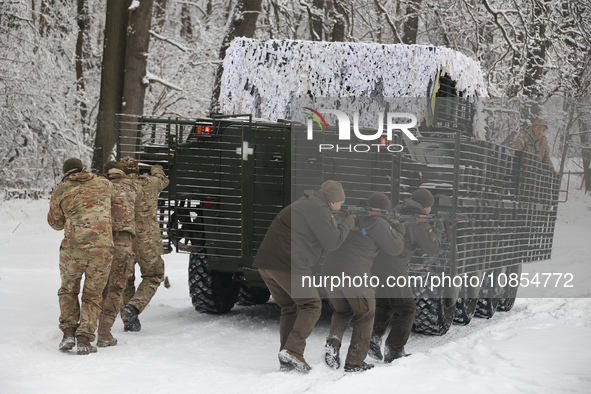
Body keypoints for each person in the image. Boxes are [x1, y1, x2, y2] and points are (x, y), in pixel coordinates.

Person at [253, 180, 355, 373]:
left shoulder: (308, 203)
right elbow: (332, 242)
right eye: (341, 202)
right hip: (287, 264)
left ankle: (287, 357)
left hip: (267, 263)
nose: (342, 205)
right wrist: (347, 223)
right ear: (332, 201)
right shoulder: (318, 209)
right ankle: (293, 350)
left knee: (290, 307)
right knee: (311, 304)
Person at [322, 192, 405, 373]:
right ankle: (355, 362)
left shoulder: (347, 215)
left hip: (329, 271)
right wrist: (399, 229)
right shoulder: (378, 222)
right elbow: (396, 248)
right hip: (354, 275)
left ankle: (333, 342)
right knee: (366, 313)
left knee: (342, 310)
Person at [47, 158, 117, 355]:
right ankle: (85, 338)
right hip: (102, 248)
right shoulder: (104, 183)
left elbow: (55, 223)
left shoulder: (61, 189)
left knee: (68, 290)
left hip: (74, 249)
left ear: (65, 172)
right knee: (93, 293)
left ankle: (68, 332)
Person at [369, 188, 443, 363]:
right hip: (395, 269)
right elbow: (432, 249)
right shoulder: (417, 221)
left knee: (386, 304)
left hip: (377, 266)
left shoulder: (399, 210)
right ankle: (394, 349)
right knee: (407, 309)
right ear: (425, 206)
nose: (430, 211)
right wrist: (438, 230)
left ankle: (372, 339)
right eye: (430, 207)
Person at [96, 161, 144, 347]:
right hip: (123, 243)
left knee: (97, 287)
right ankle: (104, 332)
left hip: (101, 242)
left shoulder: (100, 185)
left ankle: (87, 328)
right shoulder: (132, 186)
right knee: (116, 290)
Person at [119, 157, 170, 332]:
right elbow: (163, 178)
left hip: (124, 241)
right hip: (148, 242)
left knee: (125, 279)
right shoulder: (150, 183)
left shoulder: (115, 187)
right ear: (138, 170)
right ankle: (134, 307)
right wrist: (156, 166)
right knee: (154, 275)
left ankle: (127, 321)